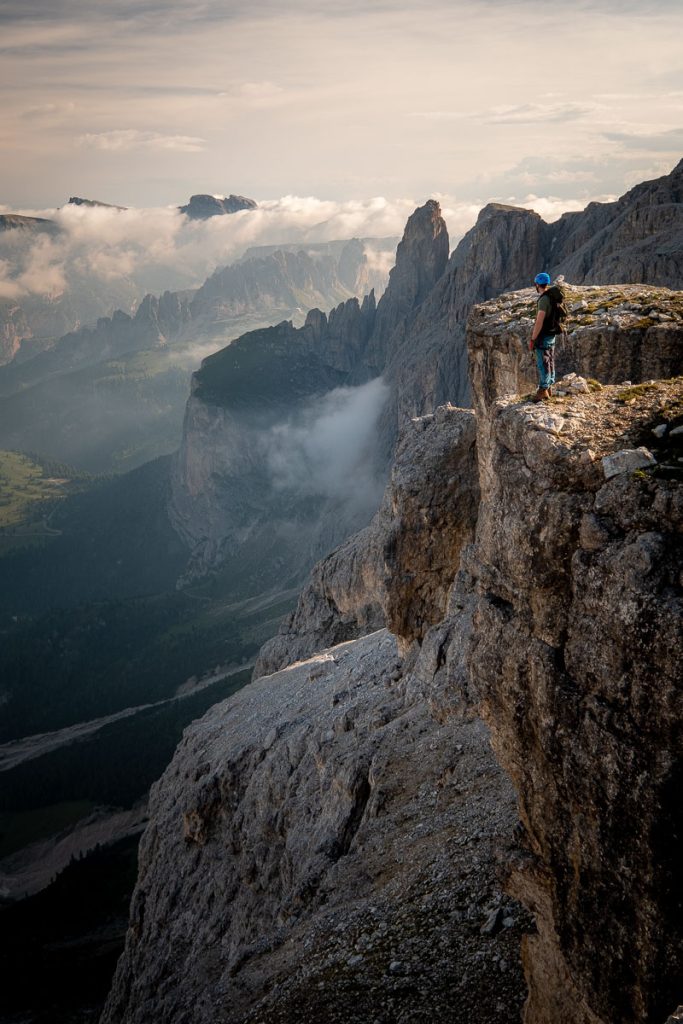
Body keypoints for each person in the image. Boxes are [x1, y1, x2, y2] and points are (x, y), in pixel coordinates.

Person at [529, 272, 556, 401]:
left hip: (544, 335)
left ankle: (543, 390)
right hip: (552, 334)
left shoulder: (544, 300)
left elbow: (539, 321)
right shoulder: (552, 296)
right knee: (550, 360)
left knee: (542, 362)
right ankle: (549, 386)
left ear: (537, 284)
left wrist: (533, 339)